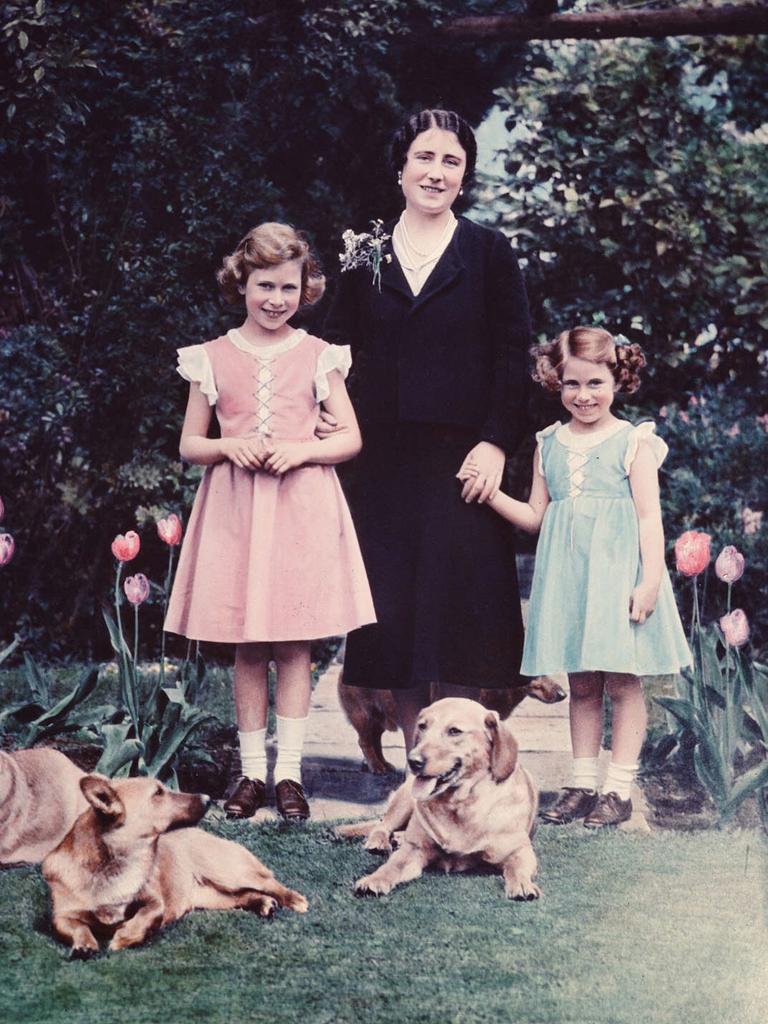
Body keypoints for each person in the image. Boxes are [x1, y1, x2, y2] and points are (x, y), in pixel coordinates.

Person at [322, 108, 532, 751]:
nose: (435, 172)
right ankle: (420, 758)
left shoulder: (489, 253)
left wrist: (496, 442)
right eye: (424, 157)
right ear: (400, 168)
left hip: (464, 461)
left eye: (451, 161)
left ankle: (465, 757)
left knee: (464, 614)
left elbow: (513, 357)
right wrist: (332, 422)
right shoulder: (366, 257)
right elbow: (332, 352)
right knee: (394, 617)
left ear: (464, 177)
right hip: (380, 466)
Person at [164, 223, 375, 821]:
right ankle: (252, 773)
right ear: (242, 283)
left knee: (295, 642)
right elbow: (189, 444)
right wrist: (229, 447)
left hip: (299, 508)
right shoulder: (212, 357)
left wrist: (305, 448)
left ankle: (290, 774)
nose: (276, 299)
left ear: (304, 289)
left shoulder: (317, 355)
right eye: (264, 286)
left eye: (288, 287)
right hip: (237, 509)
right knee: (248, 646)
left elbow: (352, 437)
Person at [463, 326, 691, 828]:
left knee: (622, 683)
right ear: (556, 382)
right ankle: (583, 783)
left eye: (595, 384)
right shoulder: (550, 443)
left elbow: (650, 518)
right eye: (572, 385)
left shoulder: (633, 441)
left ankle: (619, 788)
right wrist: (490, 493)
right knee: (583, 684)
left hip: (617, 577)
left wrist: (649, 581)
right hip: (569, 579)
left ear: (617, 379)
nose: (583, 396)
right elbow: (537, 517)